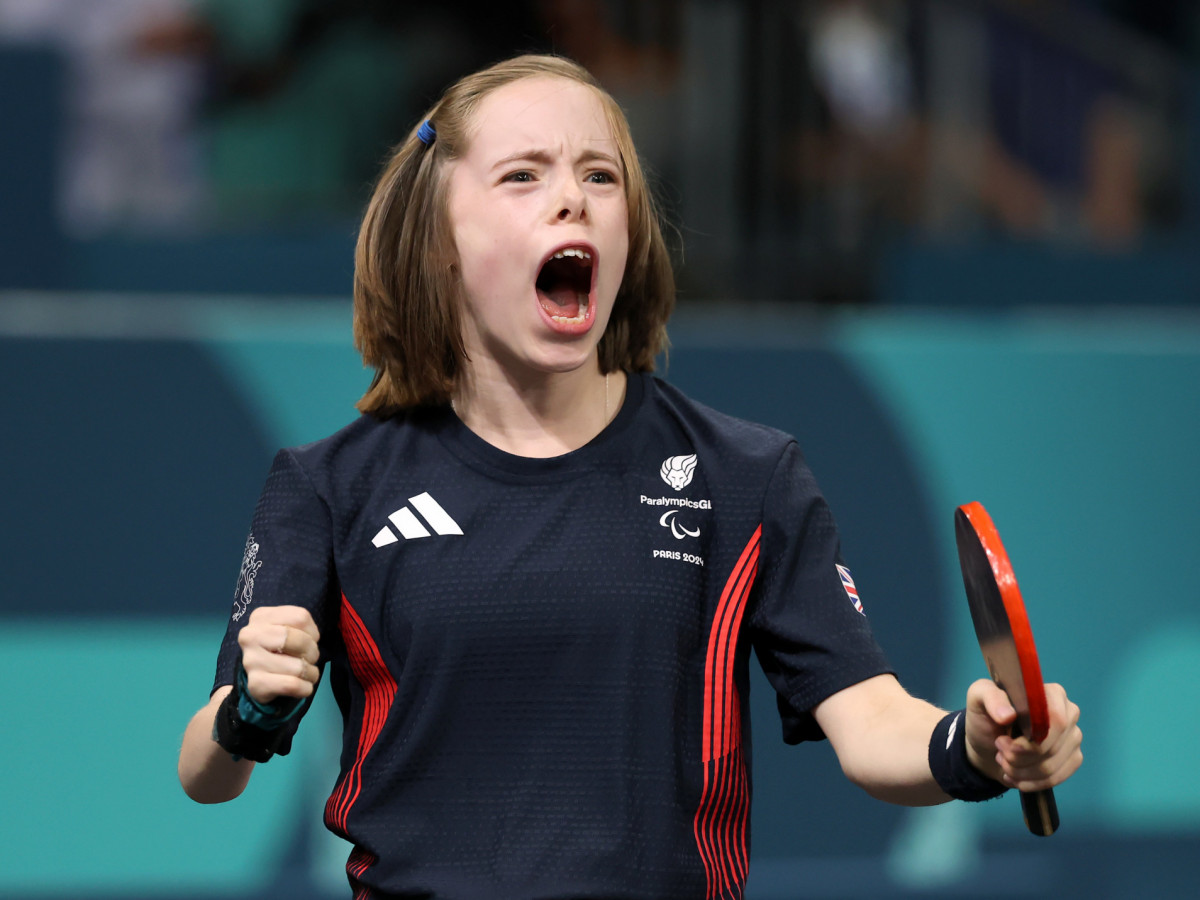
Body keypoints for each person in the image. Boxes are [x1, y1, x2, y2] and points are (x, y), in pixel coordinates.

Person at [178, 54, 1082, 899]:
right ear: (440, 237)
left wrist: (973, 746)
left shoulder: (747, 476)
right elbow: (206, 775)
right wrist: (251, 710)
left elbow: (872, 720)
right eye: (523, 174)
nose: (571, 198)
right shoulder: (329, 485)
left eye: (599, 176)